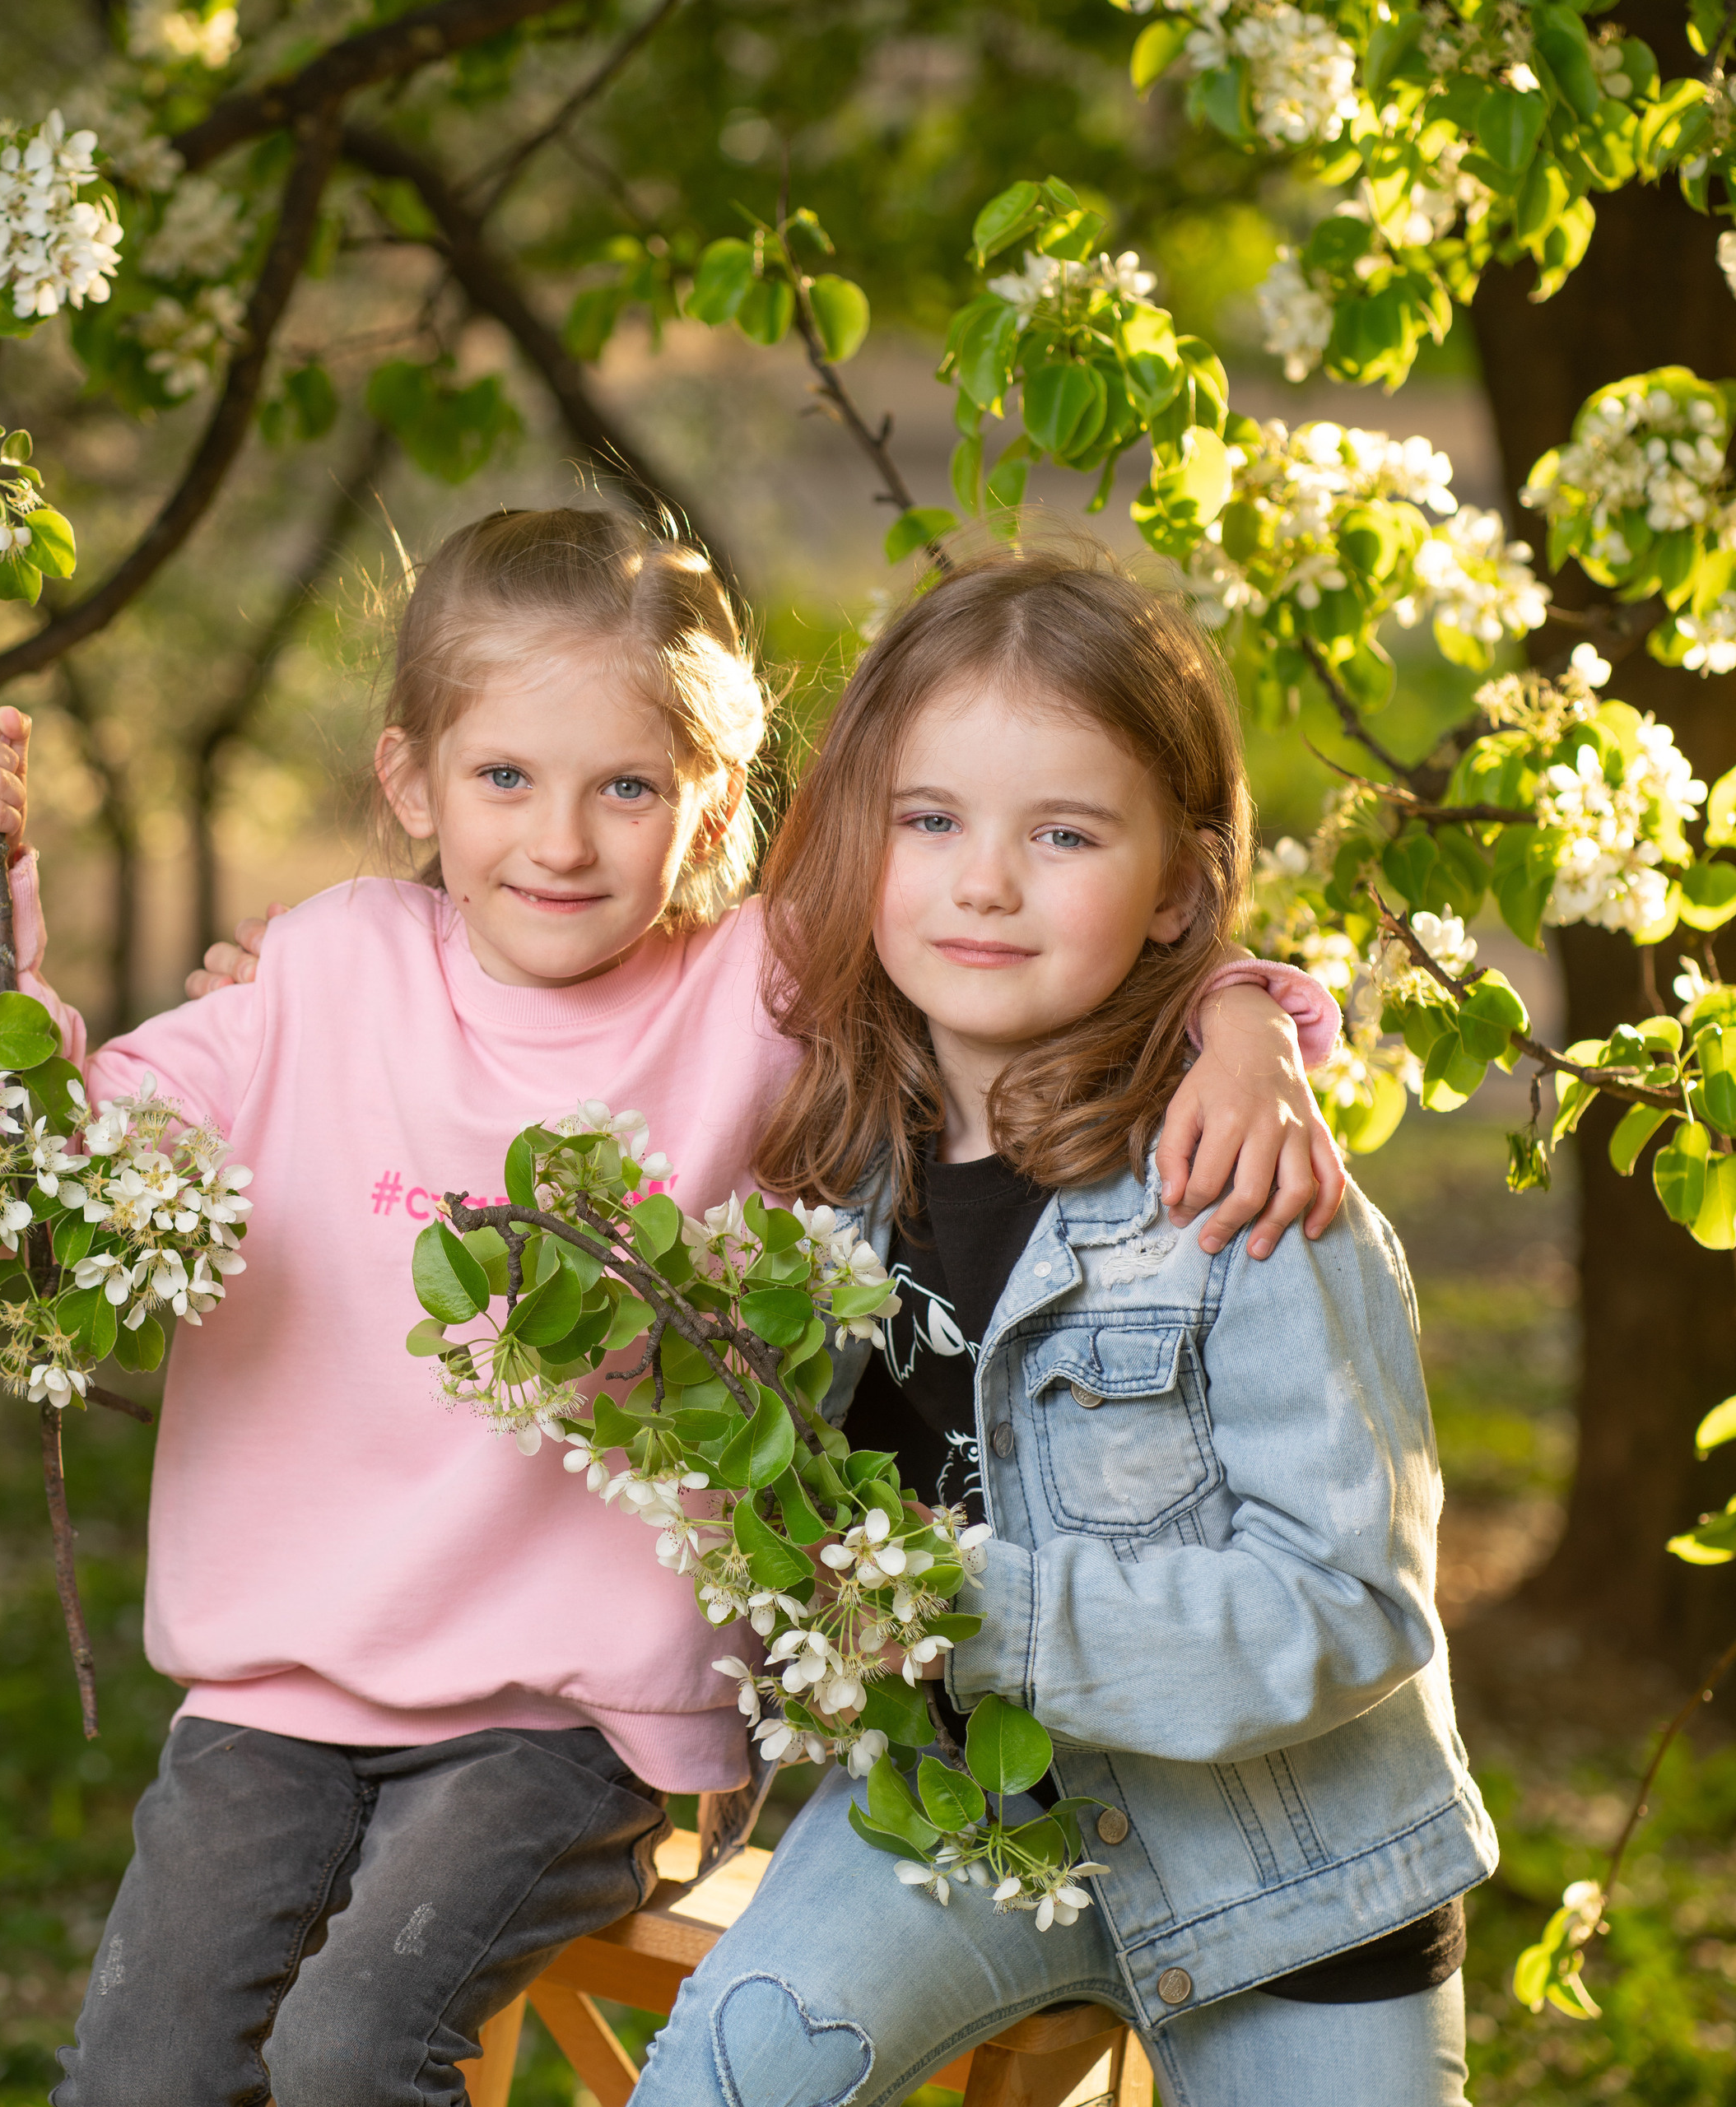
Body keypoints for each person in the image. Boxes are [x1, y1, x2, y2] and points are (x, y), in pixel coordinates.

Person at [0, 509, 1342, 2107]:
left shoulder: (757, 995)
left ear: (712, 798)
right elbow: (43, 1146)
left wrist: (1241, 1013)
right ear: (408, 781)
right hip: (275, 1689)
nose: (561, 840)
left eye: (626, 786)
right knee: (140, 2073)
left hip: (569, 1714)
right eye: (503, 778)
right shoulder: (314, 976)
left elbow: (1007, 953)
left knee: (347, 2048)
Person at [624, 537, 1497, 2107]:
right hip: (955, 1816)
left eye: (1067, 834)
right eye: (932, 819)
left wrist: (986, 1615)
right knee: (723, 2081)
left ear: (1178, 885)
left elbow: (1356, 1607)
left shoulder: (1249, 1190)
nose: (984, 881)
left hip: (1292, 1876)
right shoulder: (821, 1159)